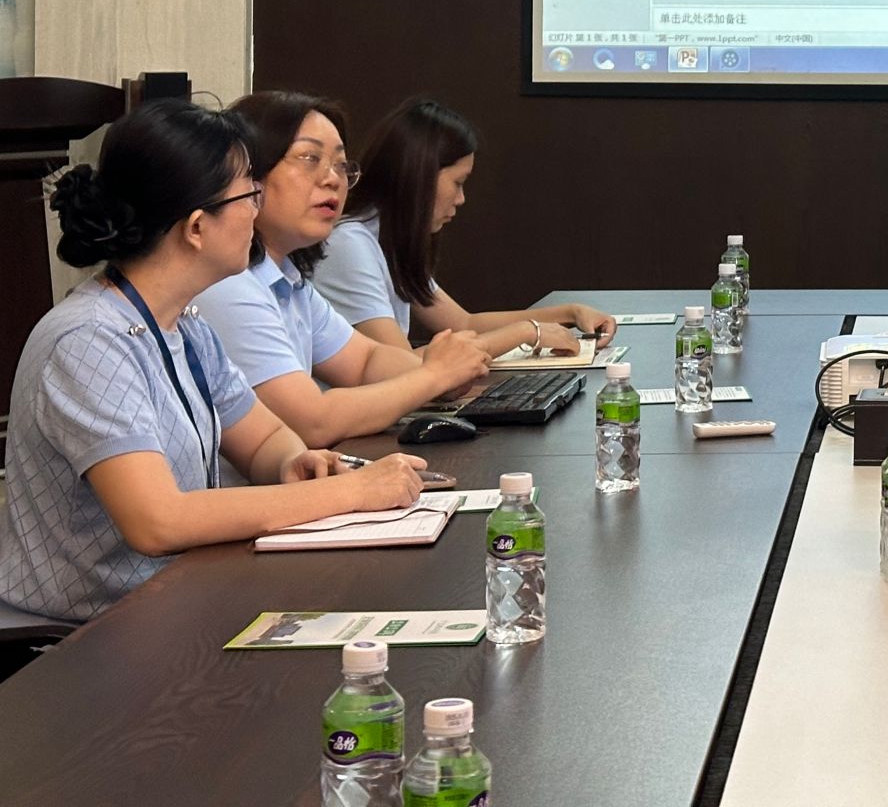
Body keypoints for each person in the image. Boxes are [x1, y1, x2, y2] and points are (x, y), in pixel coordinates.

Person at [0, 101, 426, 621]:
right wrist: (350, 492)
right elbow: (159, 521)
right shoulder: (87, 340)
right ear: (197, 227)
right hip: (85, 633)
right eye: (249, 194)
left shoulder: (188, 326)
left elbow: (264, 440)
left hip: (175, 600)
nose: (257, 211)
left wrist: (294, 462)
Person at [194, 92, 490, 449]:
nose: (332, 179)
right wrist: (433, 377)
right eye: (310, 158)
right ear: (247, 173)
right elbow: (313, 422)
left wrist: (443, 373)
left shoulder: (286, 277)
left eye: (340, 165)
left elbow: (364, 361)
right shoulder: (227, 284)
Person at [316, 98, 616, 357]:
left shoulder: (386, 237)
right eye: (458, 182)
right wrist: (527, 332)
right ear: (419, 177)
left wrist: (570, 313)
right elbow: (400, 365)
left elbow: (464, 323)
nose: (461, 199)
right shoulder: (349, 243)